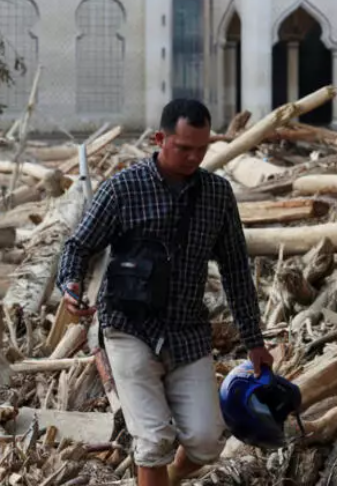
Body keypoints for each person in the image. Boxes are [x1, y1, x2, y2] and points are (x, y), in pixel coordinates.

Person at [56, 98, 272, 486]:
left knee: (207, 441)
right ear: (160, 139)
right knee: (153, 441)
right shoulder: (123, 188)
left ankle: (169, 478)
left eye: (202, 149)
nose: (193, 157)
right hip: (128, 329)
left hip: (187, 332)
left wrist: (254, 341)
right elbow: (78, 246)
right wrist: (70, 283)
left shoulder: (217, 196)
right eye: (184, 147)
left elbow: (237, 270)